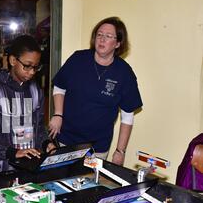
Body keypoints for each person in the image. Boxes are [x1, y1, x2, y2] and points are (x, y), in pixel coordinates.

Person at [49, 17, 142, 165]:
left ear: (118, 43)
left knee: (89, 184)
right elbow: (59, 86)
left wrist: (120, 151)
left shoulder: (124, 72)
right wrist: (58, 114)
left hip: (97, 147)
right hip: (66, 139)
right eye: (99, 34)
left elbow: (127, 115)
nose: (102, 39)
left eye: (108, 36)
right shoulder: (78, 59)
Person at [0, 34, 53, 174]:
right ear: (13, 60)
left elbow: (39, 127)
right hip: (1, 170)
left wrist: (46, 144)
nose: (32, 72)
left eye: (35, 67)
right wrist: (11, 152)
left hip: (29, 168)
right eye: (27, 66)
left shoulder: (36, 91)